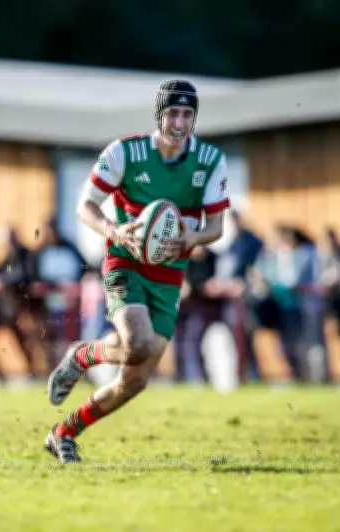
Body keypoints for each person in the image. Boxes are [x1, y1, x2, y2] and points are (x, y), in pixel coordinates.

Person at [44, 80, 231, 464]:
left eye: (188, 114)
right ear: (159, 115)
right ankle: (84, 356)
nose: (180, 122)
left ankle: (63, 433)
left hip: (170, 274)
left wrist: (190, 240)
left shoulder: (210, 160)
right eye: (173, 113)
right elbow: (86, 206)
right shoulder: (125, 152)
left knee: (135, 380)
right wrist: (114, 231)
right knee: (138, 343)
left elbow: (216, 227)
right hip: (124, 262)